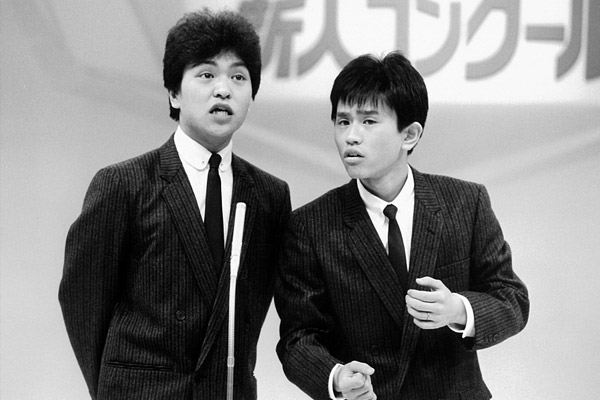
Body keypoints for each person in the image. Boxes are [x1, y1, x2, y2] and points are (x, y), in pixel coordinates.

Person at [59, 9, 291, 399]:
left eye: (238, 77)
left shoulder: (269, 196)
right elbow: (82, 302)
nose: (223, 90)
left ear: (252, 94)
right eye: (206, 75)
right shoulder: (124, 184)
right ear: (174, 92)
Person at [275, 51, 529, 400]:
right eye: (343, 121)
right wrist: (336, 377)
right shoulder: (310, 226)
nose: (351, 136)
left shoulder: (465, 203)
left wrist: (457, 309)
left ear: (409, 134)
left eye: (368, 121)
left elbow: (512, 299)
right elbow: (298, 338)